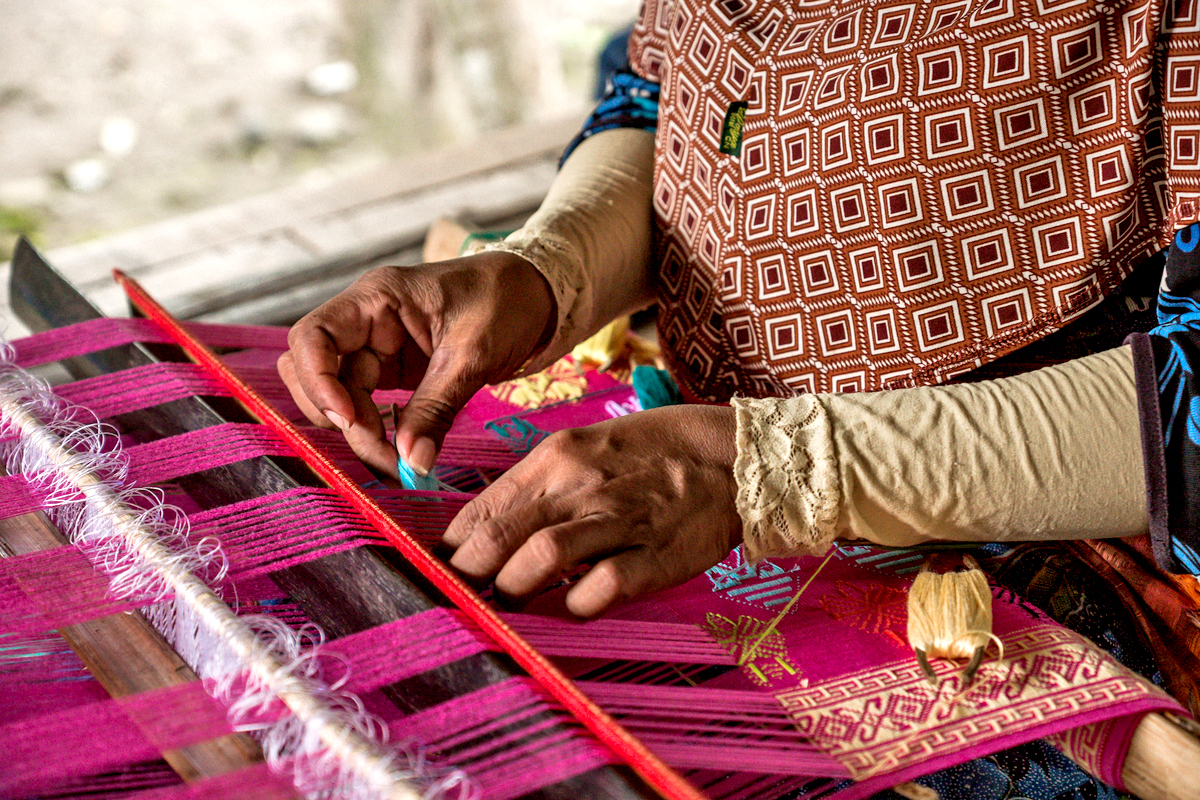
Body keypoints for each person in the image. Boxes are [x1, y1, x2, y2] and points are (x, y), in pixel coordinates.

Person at [280, 0, 1198, 624]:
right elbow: (676, 104)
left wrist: (775, 467)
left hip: (1046, 520)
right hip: (693, 449)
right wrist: (544, 271)